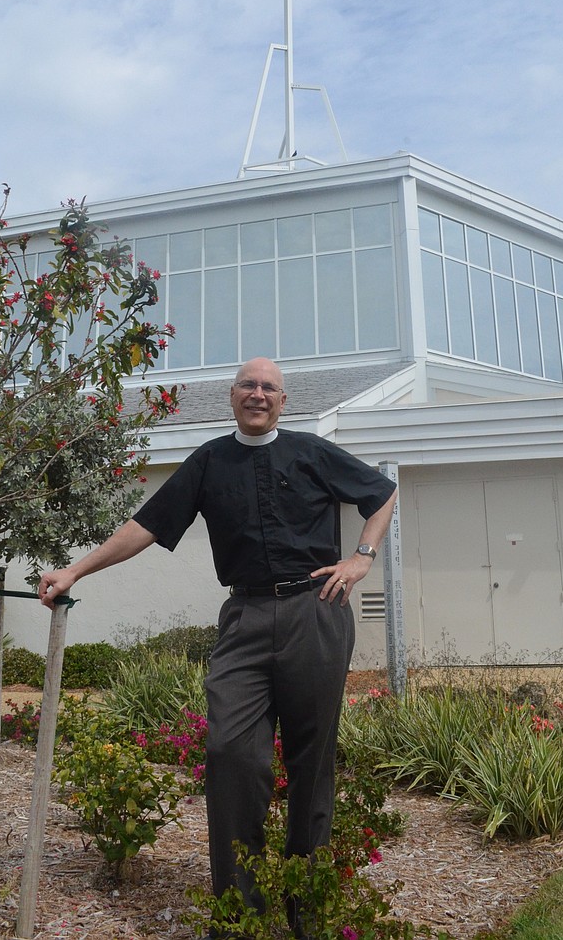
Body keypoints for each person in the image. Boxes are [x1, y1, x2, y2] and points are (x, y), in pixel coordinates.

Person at [39, 357, 398, 937]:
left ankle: (306, 907)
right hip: (245, 617)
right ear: (232, 396)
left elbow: (382, 493)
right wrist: (75, 570)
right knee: (231, 753)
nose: (258, 394)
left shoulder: (311, 451)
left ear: (282, 401)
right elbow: (146, 526)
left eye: (269, 388)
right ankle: (239, 915)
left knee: (311, 761)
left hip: (315, 610)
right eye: (248, 385)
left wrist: (362, 557)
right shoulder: (208, 461)